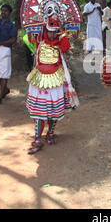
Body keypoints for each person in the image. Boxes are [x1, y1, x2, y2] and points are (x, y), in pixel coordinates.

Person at [26, 16, 77, 154]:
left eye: (55, 31)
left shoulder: (60, 43)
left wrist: (62, 32)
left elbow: (66, 47)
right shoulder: (39, 41)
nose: (52, 34)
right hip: (39, 81)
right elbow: (29, 37)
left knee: (54, 110)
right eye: (50, 31)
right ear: (45, 29)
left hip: (56, 81)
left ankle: (50, 133)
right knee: (39, 112)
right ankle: (37, 139)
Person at [0, 4, 18, 105]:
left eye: (5, 11)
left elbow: (13, 39)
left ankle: (0, 96)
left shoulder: (12, 25)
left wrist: (1, 43)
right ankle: (5, 89)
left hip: (5, 50)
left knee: (4, 73)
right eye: (2, 11)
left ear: (9, 13)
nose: (3, 12)